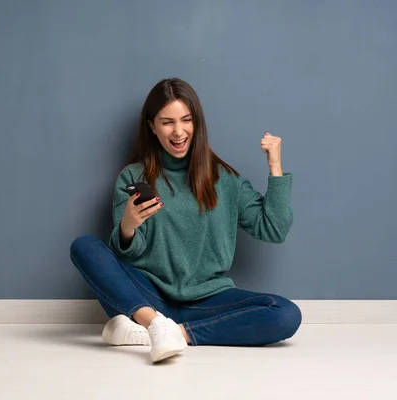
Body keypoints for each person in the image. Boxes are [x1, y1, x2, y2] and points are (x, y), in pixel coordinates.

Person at [69, 78, 302, 363]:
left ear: (197, 124)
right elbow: (126, 253)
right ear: (152, 126)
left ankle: (171, 332)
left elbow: (274, 229)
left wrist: (275, 167)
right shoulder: (133, 177)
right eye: (167, 122)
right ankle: (154, 323)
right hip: (146, 296)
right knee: (84, 246)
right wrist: (128, 225)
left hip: (207, 301)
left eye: (186, 120)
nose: (178, 131)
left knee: (286, 313)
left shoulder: (225, 179)